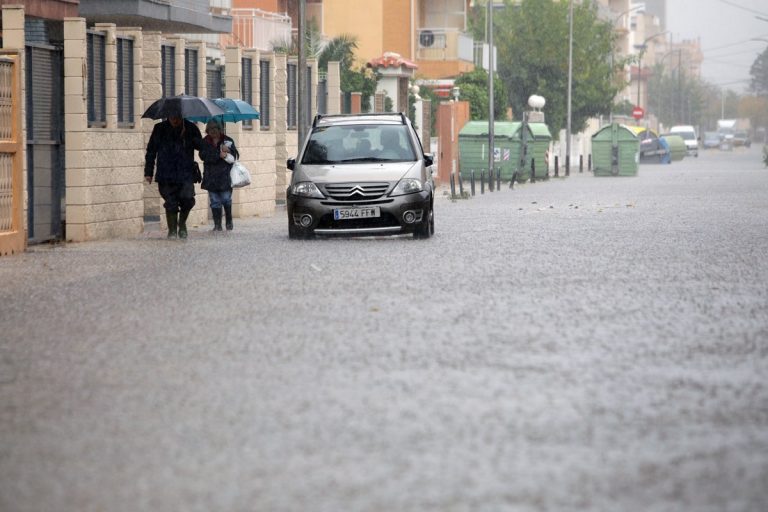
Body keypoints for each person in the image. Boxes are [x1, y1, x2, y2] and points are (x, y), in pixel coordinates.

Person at [144, 113, 203, 239]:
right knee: (171, 202)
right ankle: (172, 231)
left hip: (185, 172)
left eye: (177, 117)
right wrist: (148, 172)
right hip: (166, 173)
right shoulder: (159, 128)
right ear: (168, 116)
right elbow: (151, 150)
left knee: (187, 200)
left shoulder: (190, 128)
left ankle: (182, 224)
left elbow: (200, 147)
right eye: (172, 117)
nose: (175, 120)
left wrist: (191, 138)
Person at [199, 119, 239, 231]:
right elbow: (203, 156)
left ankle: (229, 221)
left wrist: (229, 150)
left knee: (226, 199)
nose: (213, 131)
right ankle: (217, 225)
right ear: (207, 130)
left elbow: (235, 156)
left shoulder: (227, 140)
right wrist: (218, 155)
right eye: (210, 129)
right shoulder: (205, 141)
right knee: (215, 201)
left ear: (220, 129)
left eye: (215, 129)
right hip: (211, 176)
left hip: (225, 176)